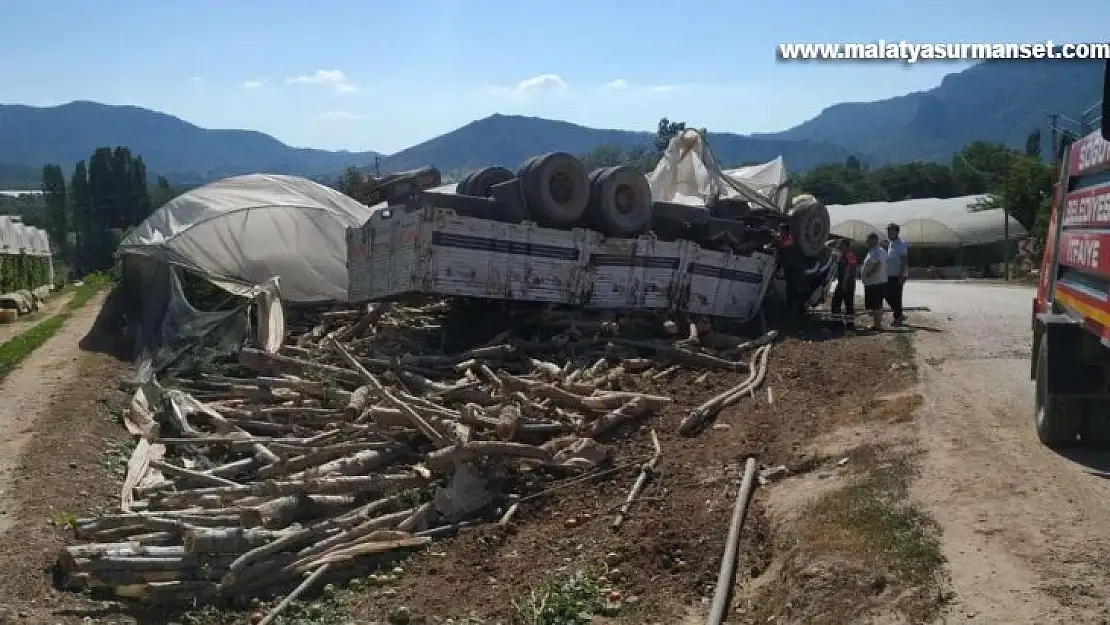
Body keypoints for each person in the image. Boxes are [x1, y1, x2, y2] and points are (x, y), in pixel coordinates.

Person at [861, 232, 887, 331]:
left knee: (877, 305)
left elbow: (878, 264)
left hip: (875, 282)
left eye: (868, 240)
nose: (867, 242)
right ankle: (877, 324)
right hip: (877, 281)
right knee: (877, 304)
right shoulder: (880, 251)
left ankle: (877, 325)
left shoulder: (876, 252)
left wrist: (868, 275)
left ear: (874, 240)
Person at [885, 223, 910, 326]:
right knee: (887, 294)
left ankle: (897, 318)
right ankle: (899, 314)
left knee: (896, 296)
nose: (889, 233)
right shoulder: (891, 244)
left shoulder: (901, 244)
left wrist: (901, 275)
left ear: (896, 232)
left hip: (898, 275)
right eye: (888, 231)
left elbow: (904, 260)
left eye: (891, 231)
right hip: (890, 275)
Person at [830, 238, 857, 330]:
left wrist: (844, 283)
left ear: (846, 246)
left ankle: (839, 323)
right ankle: (849, 324)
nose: (839, 246)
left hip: (846, 283)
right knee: (847, 303)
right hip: (846, 283)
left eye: (841, 245)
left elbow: (848, 270)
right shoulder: (844, 255)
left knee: (836, 302)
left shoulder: (849, 255)